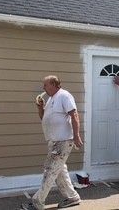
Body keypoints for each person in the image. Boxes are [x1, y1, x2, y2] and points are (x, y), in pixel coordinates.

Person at [21, 76, 83, 210]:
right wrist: (40, 108)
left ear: (54, 84)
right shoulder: (50, 100)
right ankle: (72, 197)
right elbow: (44, 118)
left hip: (63, 141)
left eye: (45, 85)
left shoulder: (64, 96)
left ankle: (37, 202)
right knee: (59, 171)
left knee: (50, 170)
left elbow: (74, 115)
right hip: (53, 141)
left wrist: (77, 136)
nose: (43, 88)